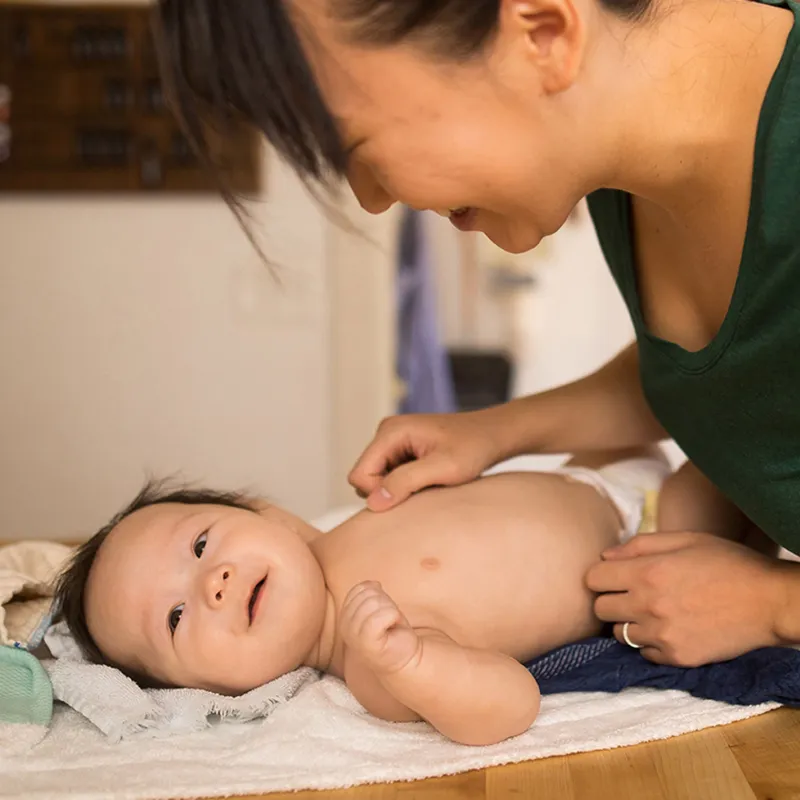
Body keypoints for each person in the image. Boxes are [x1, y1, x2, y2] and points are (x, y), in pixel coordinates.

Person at [154, 0, 800, 668]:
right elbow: (736, 374)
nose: (373, 198)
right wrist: (494, 432)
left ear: (542, 34)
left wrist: (769, 604)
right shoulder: (622, 170)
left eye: (358, 148)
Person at [54, 448, 750, 745]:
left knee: (675, 392)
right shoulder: (371, 661)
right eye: (175, 618)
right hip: (656, 551)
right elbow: (509, 704)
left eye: (203, 544)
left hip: (593, 474)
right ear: (203, 689)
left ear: (259, 512)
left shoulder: (341, 529)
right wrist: (414, 662)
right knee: (740, 453)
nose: (213, 582)